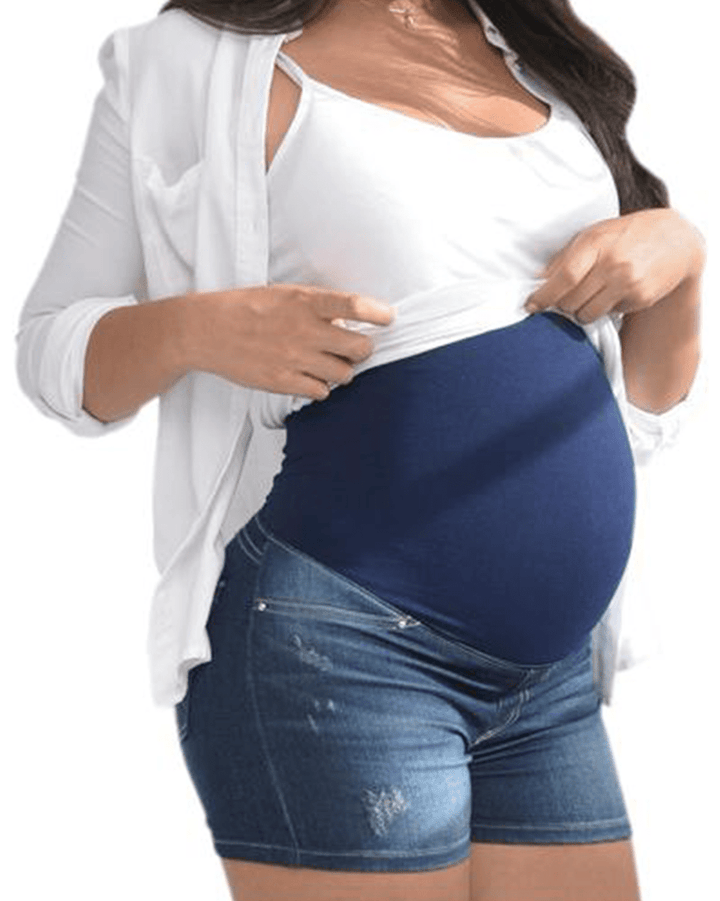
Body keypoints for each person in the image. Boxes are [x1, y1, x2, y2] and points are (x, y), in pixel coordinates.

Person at [15, 1, 705, 899]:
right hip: (336, 650)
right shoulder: (186, 58)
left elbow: (643, 410)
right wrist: (196, 329)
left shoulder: (532, 44)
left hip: (550, 676)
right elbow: (50, 352)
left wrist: (683, 257)